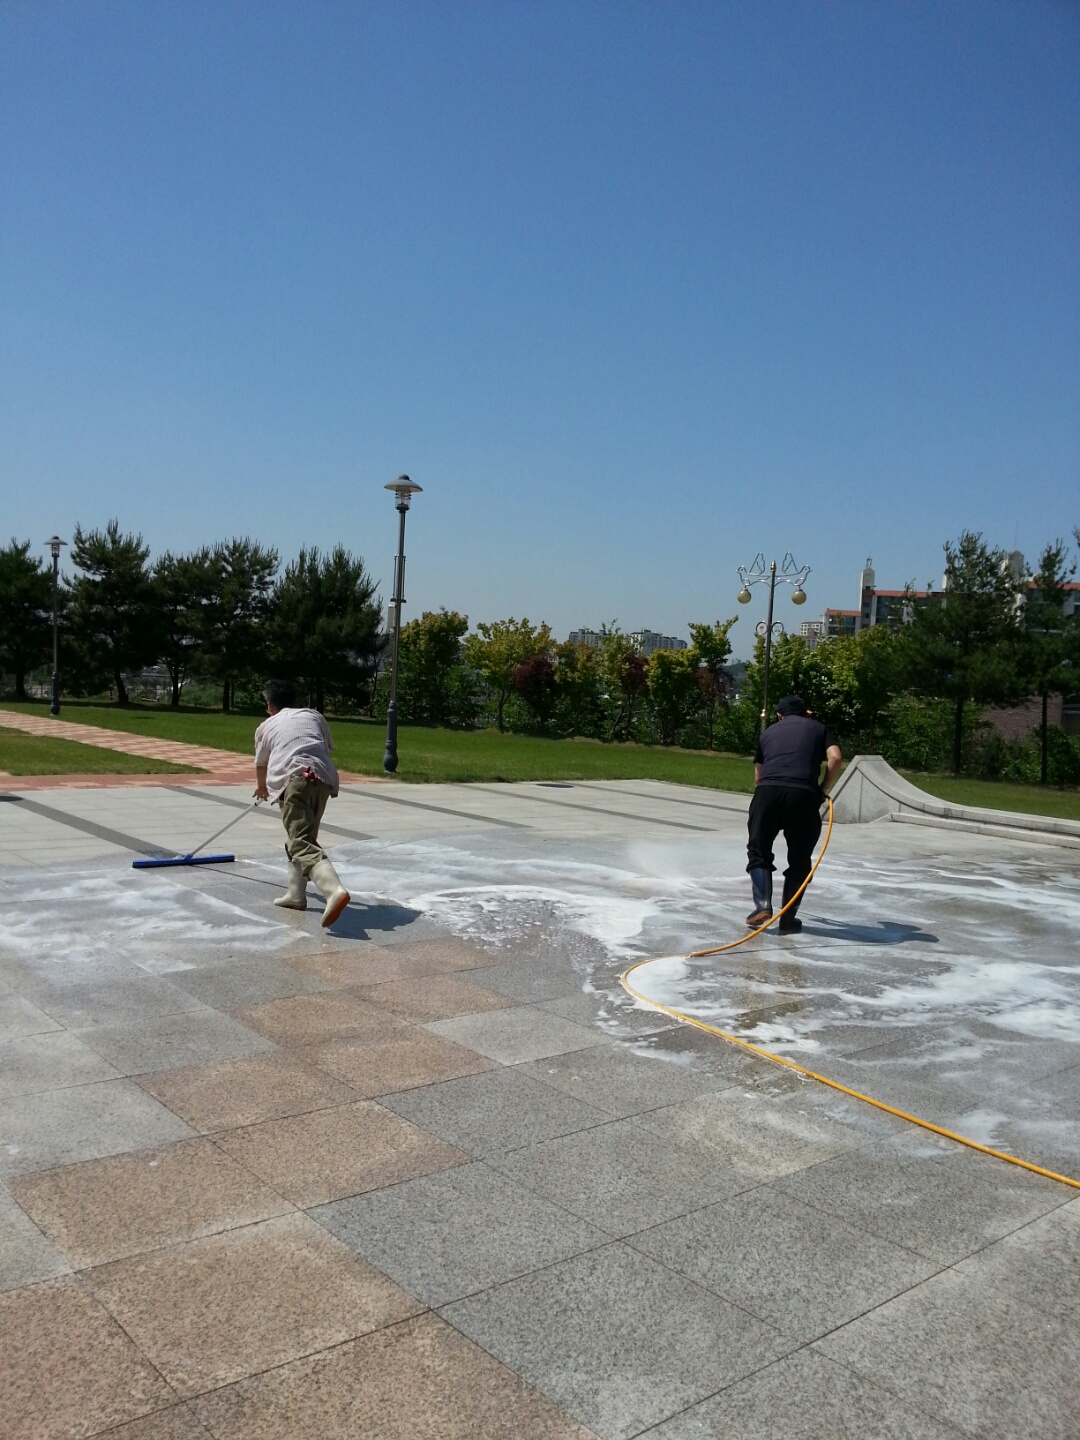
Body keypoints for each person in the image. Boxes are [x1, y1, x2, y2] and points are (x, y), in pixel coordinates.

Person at [253, 680, 351, 927]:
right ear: (296, 702)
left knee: (300, 841)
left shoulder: (265, 727)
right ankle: (296, 894)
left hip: (294, 779)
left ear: (269, 705)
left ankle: (333, 890)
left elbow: (261, 764)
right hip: (323, 778)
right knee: (303, 837)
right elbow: (324, 746)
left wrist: (262, 787)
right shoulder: (314, 715)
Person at [746, 694, 842, 934]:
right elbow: (835, 757)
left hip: (767, 792)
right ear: (806, 713)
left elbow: (758, 776)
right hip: (803, 796)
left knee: (759, 850)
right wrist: (822, 789)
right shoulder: (819, 729)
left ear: (780, 715)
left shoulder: (768, 733)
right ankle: (788, 920)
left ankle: (762, 906)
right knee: (800, 859)